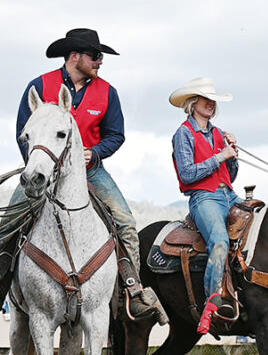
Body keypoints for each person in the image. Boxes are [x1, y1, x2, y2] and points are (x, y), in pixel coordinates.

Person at [1, 28, 167, 324]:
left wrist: (97, 152)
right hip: (42, 173)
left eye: (100, 56)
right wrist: (41, 171)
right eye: (95, 56)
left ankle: (133, 291)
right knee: (7, 223)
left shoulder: (107, 92)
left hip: (92, 170)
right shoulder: (39, 86)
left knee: (126, 222)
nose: (100, 61)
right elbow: (23, 134)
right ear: (75, 56)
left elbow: (116, 135)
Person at [170, 77, 241, 334]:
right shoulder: (183, 133)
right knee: (220, 241)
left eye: (213, 101)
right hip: (203, 197)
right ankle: (213, 300)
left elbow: (230, 175)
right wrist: (220, 155)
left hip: (228, 194)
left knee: (261, 225)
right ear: (193, 102)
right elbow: (187, 174)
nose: (211, 104)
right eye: (206, 99)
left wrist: (233, 153)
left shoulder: (219, 133)